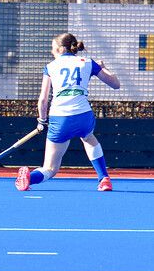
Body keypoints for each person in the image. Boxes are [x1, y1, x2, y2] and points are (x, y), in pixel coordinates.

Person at [16, 33, 120, 192]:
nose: (52, 52)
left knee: (50, 168)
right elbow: (115, 84)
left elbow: (43, 100)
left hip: (60, 118)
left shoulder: (51, 66)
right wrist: (103, 67)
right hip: (83, 116)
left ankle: (30, 177)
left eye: (53, 49)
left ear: (60, 48)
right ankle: (104, 179)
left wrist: (42, 121)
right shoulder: (87, 62)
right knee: (88, 137)